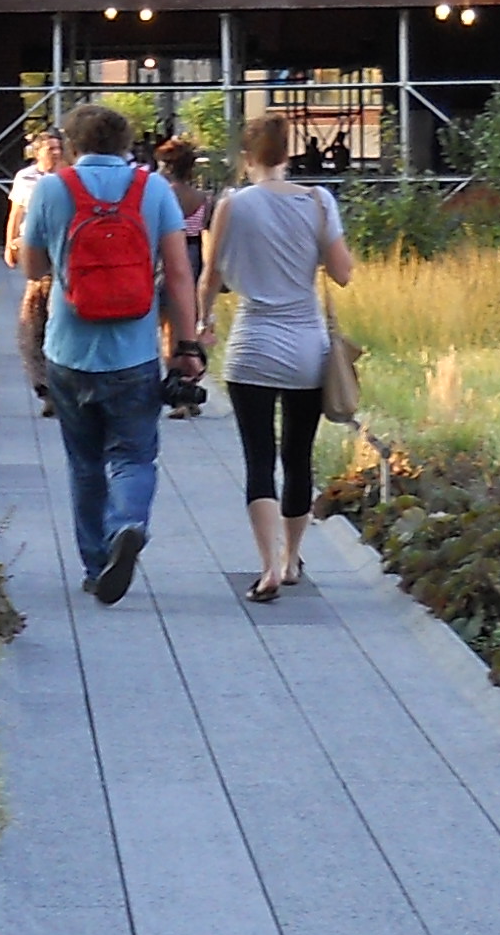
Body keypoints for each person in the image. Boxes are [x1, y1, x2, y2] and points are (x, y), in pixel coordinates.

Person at [20, 102, 205, 606]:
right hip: (134, 353)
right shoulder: (154, 189)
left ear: (73, 145)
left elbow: (32, 267)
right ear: (127, 144)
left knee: (84, 463)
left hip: (68, 350)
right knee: (134, 455)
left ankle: (95, 564)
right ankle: (128, 523)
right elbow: (180, 274)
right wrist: (186, 346)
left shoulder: (53, 188)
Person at [199, 111, 358, 603]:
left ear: (246, 157)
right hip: (307, 347)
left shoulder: (232, 205)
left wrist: (203, 323)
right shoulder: (318, 201)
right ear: (288, 154)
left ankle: (266, 565)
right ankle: (291, 559)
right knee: (297, 455)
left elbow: (209, 276)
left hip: (252, 346)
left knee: (258, 459)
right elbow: (343, 273)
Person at [2, 124, 73, 416]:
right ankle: (45, 387)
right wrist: (9, 244)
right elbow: (16, 212)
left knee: (57, 317)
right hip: (35, 251)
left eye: (59, 148)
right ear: (38, 152)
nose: (56, 153)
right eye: (50, 148)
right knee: (33, 320)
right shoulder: (26, 177)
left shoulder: (70, 177)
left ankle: (61, 387)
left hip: (63, 252)